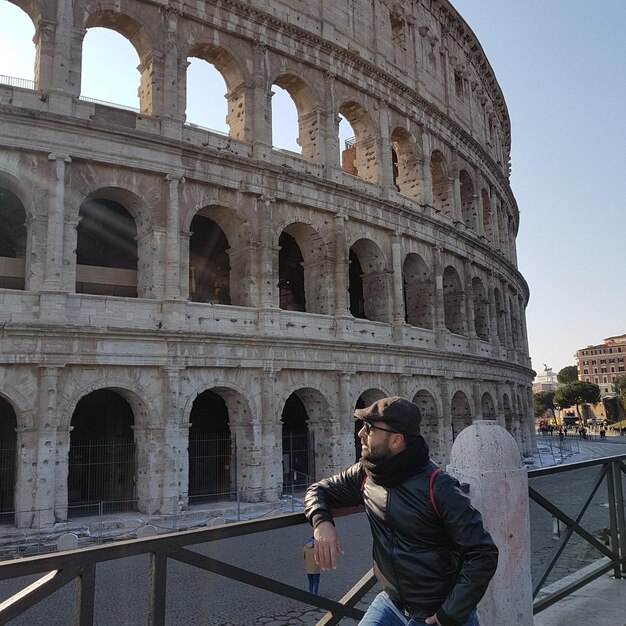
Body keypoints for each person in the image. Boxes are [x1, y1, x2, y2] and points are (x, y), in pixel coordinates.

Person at [304, 396, 498, 626]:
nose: (360, 434)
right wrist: (321, 522)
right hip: (392, 603)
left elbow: (483, 552)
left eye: (369, 428)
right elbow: (318, 489)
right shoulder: (368, 473)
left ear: (396, 440)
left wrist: (450, 613)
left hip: (436, 612)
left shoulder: (438, 486)